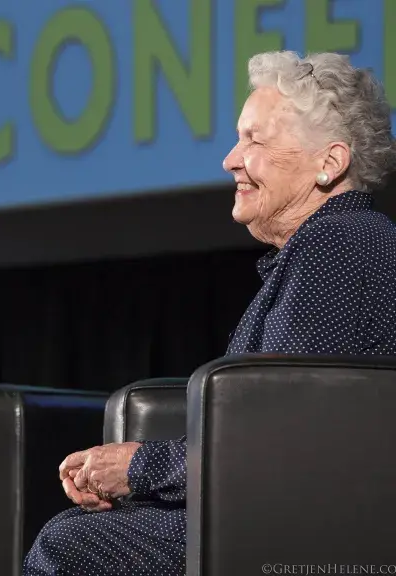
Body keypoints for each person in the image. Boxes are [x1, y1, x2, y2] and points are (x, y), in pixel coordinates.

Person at [23, 50, 396, 575]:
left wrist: (139, 468)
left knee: (69, 545)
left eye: (254, 140)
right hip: (281, 509)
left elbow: (278, 435)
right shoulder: (340, 243)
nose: (230, 159)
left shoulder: (336, 245)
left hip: (290, 530)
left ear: (329, 164)